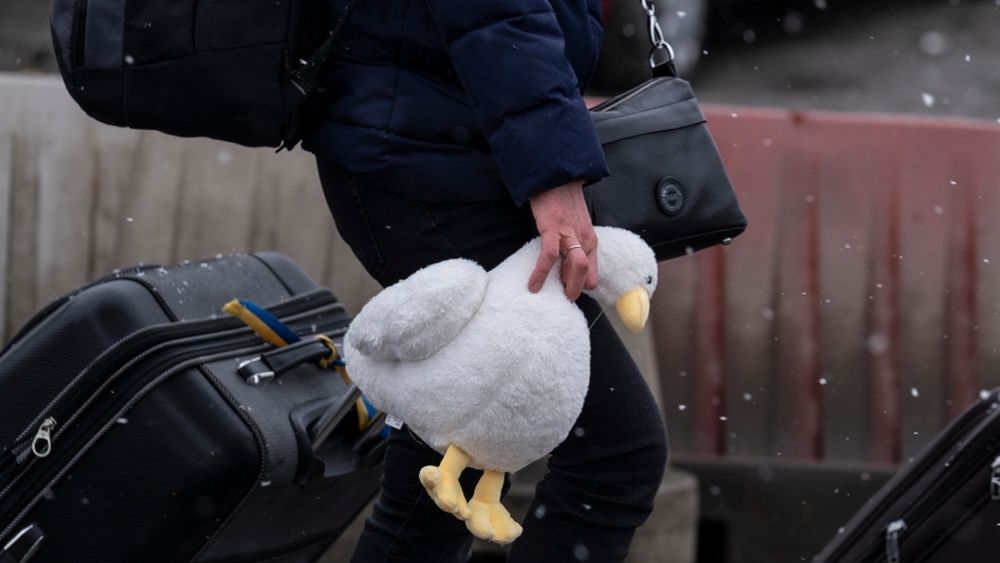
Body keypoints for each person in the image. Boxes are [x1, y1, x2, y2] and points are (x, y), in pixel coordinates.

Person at [303, 1, 668, 561]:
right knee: (614, 453)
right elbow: (499, 11)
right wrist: (554, 174)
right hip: (434, 159)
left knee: (441, 472)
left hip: (448, 145)